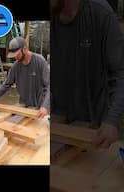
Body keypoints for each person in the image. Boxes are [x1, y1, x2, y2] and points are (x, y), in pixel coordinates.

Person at [51, 0, 124, 148]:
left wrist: (112, 120)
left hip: (95, 127)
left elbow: (121, 74)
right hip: (57, 120)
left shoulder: (101, 14)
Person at [0, 36, 50, 118]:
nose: (15, 57)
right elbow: (7, 84)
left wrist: (44, 106)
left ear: (24, 49)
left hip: (39, 108)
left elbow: (48, 86)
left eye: (17, 54)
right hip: (23, 105)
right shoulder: (16, 66)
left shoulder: (40, 61)